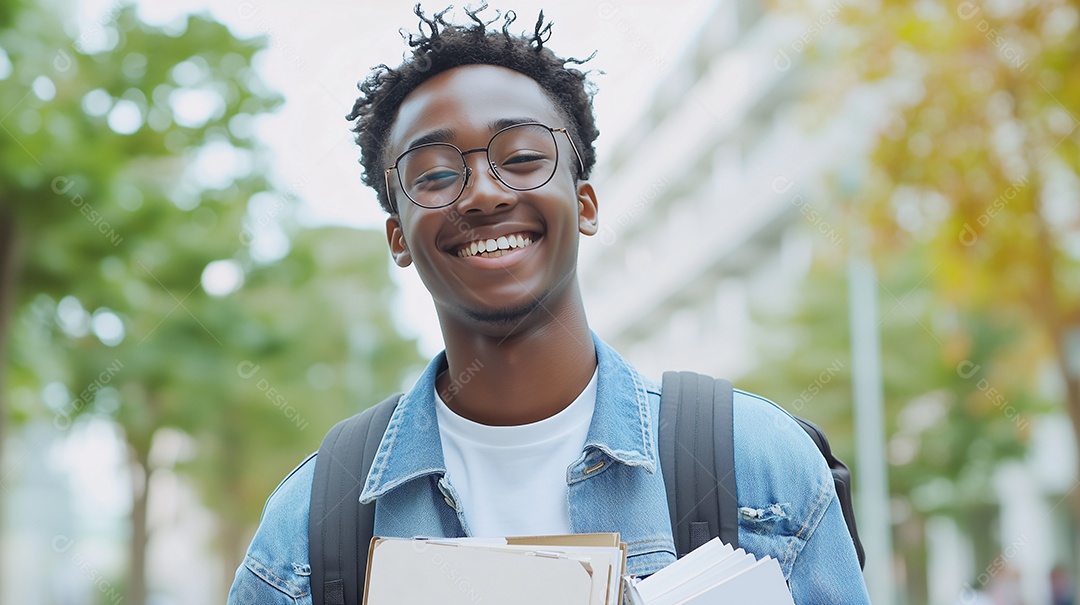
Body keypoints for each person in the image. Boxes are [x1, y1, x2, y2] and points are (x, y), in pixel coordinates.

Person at [227, 5, 870, 603]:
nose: (482, 194)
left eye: (523, 157)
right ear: (398, 237)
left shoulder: (755, 464)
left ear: (585, 205)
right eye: (436, 174)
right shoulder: (310, 526)